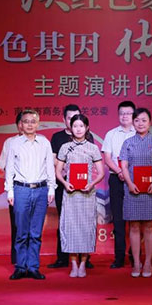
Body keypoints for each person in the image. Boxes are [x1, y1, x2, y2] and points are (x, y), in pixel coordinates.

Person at [5, 109, 56, 280]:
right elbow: (9, 168)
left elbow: (50, 167)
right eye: (26, 121)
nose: (29, 124)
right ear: (21, 124)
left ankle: (33, 267)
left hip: (41, 190)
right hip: (21, 190)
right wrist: (10, 190)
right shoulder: (14, 143)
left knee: (35, 232)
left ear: (38, 124)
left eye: (33, 121)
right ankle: (20, 267)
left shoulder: (44, 143)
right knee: (21, 232)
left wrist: (51, 188)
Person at [55, 114, 105, 278]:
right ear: (70, 127)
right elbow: (58, 171)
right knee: (70, 227)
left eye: (81, 126)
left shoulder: (93, 148)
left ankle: (83, 263)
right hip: (70, 194)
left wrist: (91, 184)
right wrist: (65, 183)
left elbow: (101, 173)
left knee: (86, 228)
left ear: (87, 128)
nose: (78, 129)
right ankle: (74, 264)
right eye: (75, 126)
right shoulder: (65, 147)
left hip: (87, 193)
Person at [119, 108, 152, 278]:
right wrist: (130, 183)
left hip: (151, 189)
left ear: (150, 123)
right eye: (137, 120)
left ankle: (148, 263)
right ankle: (137, 263)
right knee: (134, 226)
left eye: (144, 120)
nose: (140, 123)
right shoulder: (128, 142)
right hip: (132, 189)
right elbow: (124, 166)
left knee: (150, 226)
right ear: (133, 122)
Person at [48, 104, 95, 270]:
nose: (74, 122)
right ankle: (62, 258)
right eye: (70, 118)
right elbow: (53, 158)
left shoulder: (88, 138)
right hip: (64, 184)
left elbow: (90, 162)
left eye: (77, 118)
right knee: (65, 221)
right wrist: (65, 169)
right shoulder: (57, 137)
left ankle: (84, 259)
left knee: (84, 221)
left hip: (83, 186)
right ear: (64, 120)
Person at [101, 101, 136, 269]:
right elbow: (107, 158)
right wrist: (120, 171)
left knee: (136, 220)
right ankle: (119, 257)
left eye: (128, 113)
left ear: (134, 115)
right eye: (122, 113)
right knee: (119, 220)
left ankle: (135, 255)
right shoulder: (111, 134)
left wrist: (129, 174)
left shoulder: (140, 132)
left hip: (135, 180)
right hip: (116, 179)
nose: (125, 116)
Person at [0, 111, 23, 265]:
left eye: (29, 122)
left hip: (35, 188)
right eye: (21, 122)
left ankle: (31, 259)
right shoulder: (10, 142)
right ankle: (17, 259)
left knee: (32, 227)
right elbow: (2, 164)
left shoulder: (41, 141)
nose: (24, 125)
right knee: (16, 224)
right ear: (17, 125)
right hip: (16, 188)